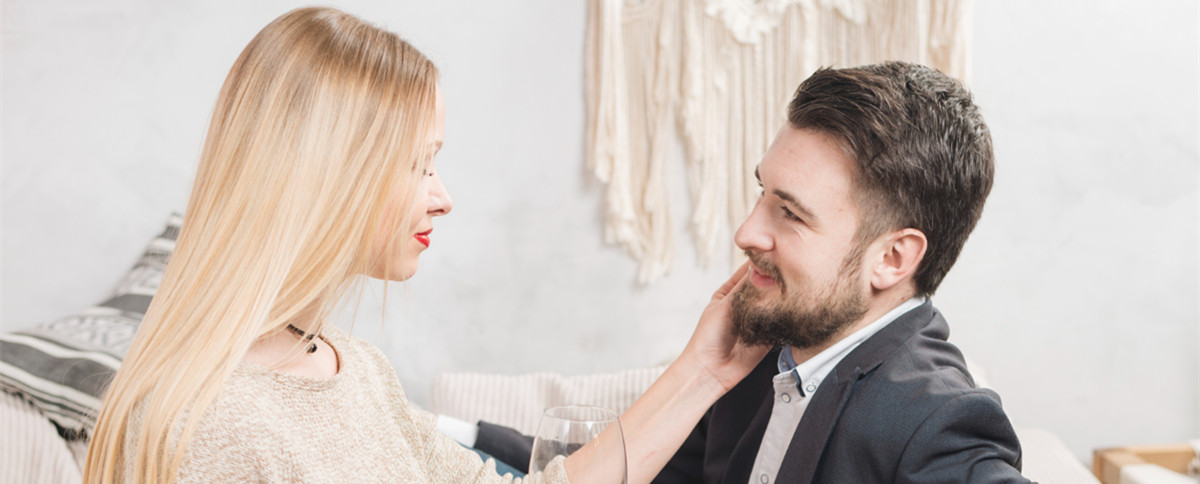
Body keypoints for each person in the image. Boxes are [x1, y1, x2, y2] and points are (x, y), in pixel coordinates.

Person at [83, 7, 767, 484]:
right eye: (418, 164)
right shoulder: (211, 425)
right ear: (326, 176)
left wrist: (703, 370)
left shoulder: (355, 370)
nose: (442, 197)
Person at [477, 62, 1031, 483]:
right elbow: (641, 466)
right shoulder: (762, 350)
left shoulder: (941, 425)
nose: (746, 232)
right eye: (761, 193)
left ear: (892, 258)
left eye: (790, 213)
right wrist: (450, 440)